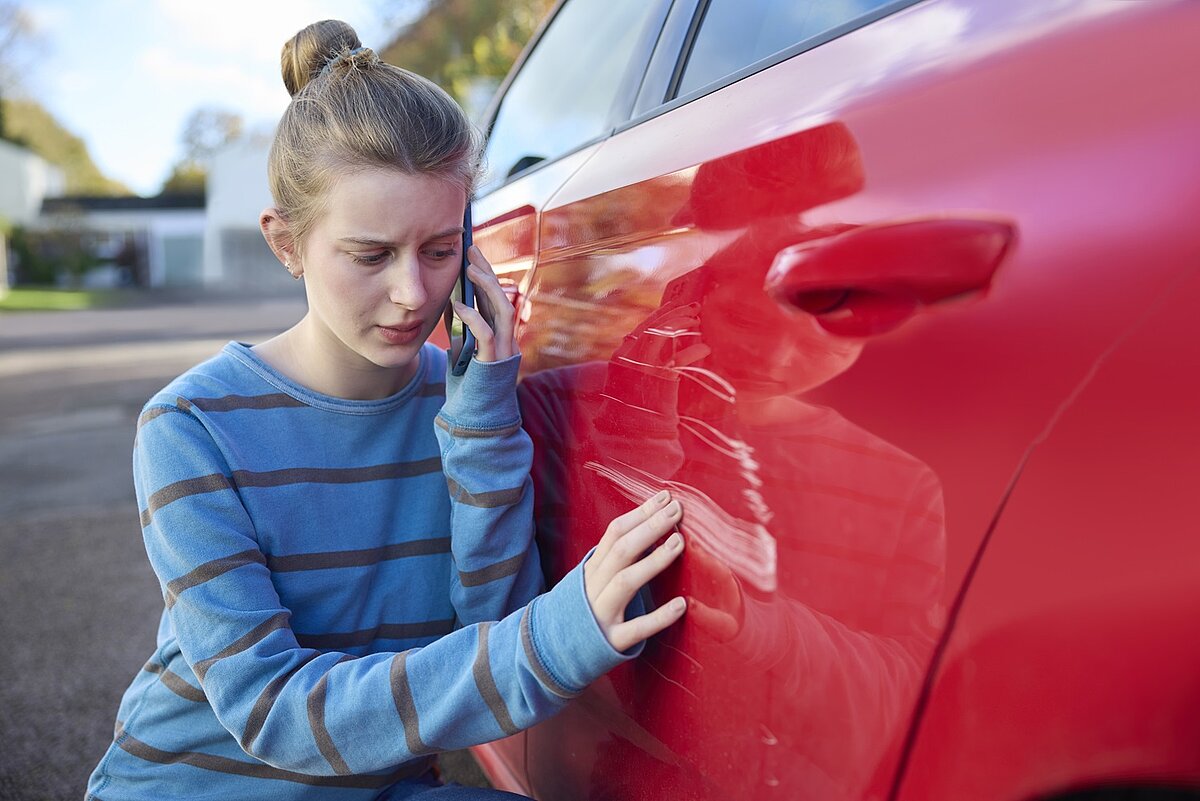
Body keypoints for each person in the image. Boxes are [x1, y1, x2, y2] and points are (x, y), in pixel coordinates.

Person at [85, 20, 687, 801]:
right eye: (371, 255)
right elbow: (275, 712)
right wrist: (555, 634)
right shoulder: (190, 428)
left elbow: (491, 626)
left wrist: (482, 418)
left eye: (439, 251)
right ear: (287, 244)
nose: (412, 294)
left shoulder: (468, 401)